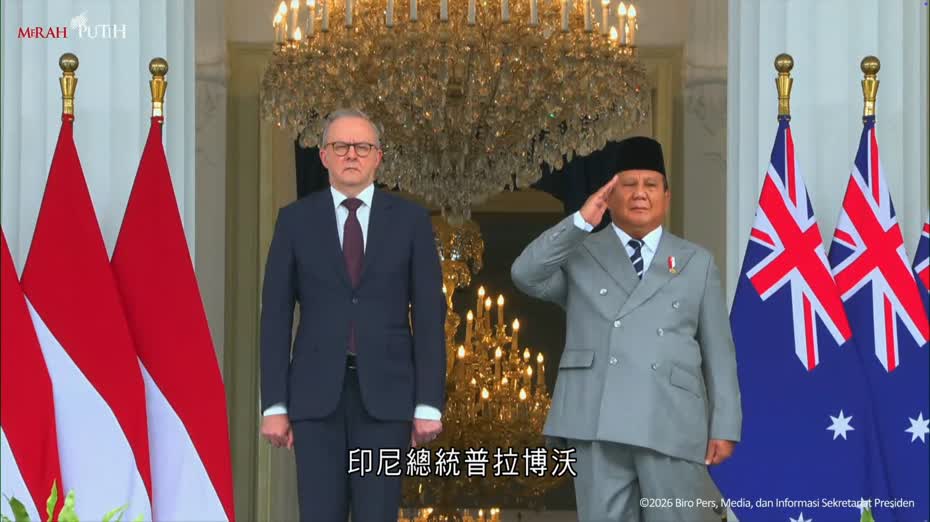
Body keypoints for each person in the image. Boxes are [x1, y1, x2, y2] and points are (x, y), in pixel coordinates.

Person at [511, 136, 741, 522]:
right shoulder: (581, 253)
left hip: (671, 417)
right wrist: (580, 222)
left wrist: (725, 424)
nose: (640, 194)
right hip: (596, 418)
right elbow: (525, 274)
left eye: (650, 184)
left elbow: (719, 351)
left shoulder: (696, 262)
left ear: (666, 196)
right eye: (628, 184)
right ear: (609, 195)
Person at [259, 109, 447, 521]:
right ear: (323, 156)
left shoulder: (411, 221)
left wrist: (428, 403)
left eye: (362, 147)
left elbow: (429, 316)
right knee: (318, 513)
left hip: (387, 398)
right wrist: (273, 403)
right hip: (315, 397)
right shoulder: (295, 220)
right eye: (340, 146)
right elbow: (275, 315)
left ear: (378, 157)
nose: (351, 155)